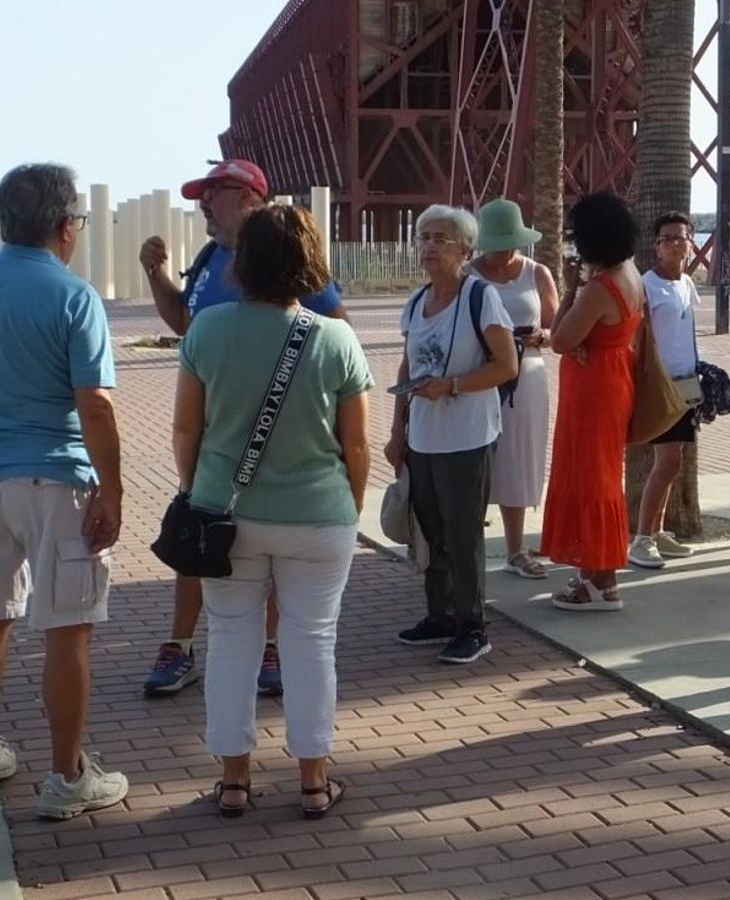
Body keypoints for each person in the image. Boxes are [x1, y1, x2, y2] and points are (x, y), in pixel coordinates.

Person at [0, 163, 128, 818]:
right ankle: (68, 776)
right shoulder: (73, 296)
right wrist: (114, 488)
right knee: (67, 629)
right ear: (66, 225)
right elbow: (93, 403)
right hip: (55, 476)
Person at [174, 205, 371, 819]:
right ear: (310, 261)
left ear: (245, 260)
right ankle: (313, 780)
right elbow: (357, 444)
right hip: (318, 514)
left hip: (224, 516)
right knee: (311, 642)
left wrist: (196, 491)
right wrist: (350, 505)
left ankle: (234, 780)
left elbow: (186, 431)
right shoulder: (335, 337)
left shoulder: (207, 330)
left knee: (230, 639)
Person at [138, 160, 348, 697]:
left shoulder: (290, 260)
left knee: (269, 550)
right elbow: (187, 326)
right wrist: (158, 277)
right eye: (201, 194)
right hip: (215, 438)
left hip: (277, 443)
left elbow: (335, 334)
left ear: (250, 197)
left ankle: (272, 650)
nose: (203, 203)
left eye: (215, 192)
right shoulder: (210, 258)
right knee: (192, 537)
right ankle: (180, 645)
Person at [385, 205, 518, 664]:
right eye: (423, 237)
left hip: (467, 436)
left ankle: (472, 624)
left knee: (463, 533)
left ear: (465, 248)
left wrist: (453, 386)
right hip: (423, 436)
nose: (429, 247)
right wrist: (396, 430)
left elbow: (507, 364)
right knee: (431, 529)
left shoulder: (480, 297)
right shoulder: (416, 302)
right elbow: (407, 365)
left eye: (441, 238)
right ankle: (439, 615)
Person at [541, 193, 645, 611]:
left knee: (590, 476)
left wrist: (570, 291)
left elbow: (561, 338)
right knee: (601, 473)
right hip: (614, 375)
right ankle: (594, 575)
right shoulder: (630, 274)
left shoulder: (600, 288)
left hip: (594, 388)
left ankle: (602, 578)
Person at [467, 199, 558, 579]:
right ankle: (468, 544)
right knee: (475, 456)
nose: (503, 251)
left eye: (509, 242)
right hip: (482, 374)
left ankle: (516, 548)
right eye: (496, 243)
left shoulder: (538, 273)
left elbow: (558, 329)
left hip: (528, 375)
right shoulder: (467, 275)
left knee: (518, 458)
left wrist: (540, 336)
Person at [628, 212, 704, 568]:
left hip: (686, 383)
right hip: (660, 385)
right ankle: (641, 537)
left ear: (691, 242)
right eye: (667, 238)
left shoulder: (686, 282)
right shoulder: (646, 285)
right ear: (656, 246)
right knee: (668, 459)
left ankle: (657, 532)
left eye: (681, 236)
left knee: (675, 462)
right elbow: (635, 337)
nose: (676, 243)